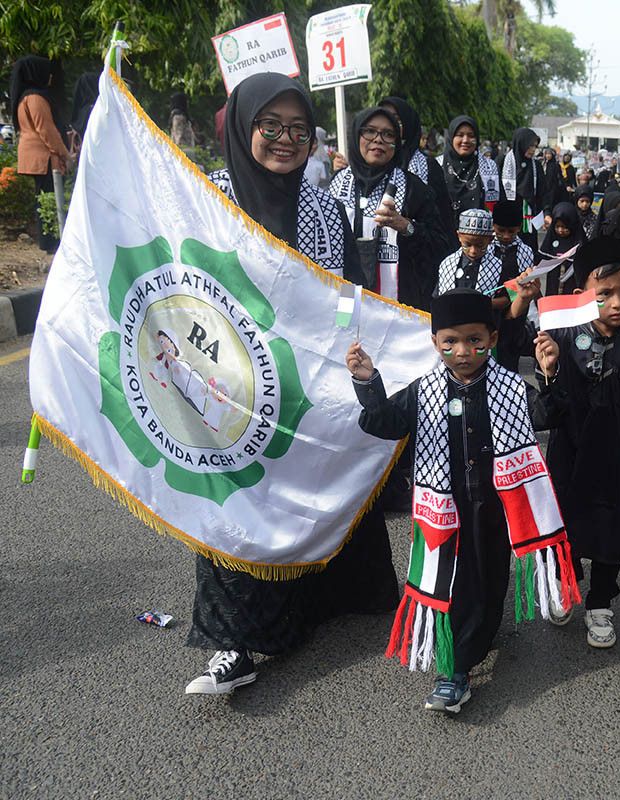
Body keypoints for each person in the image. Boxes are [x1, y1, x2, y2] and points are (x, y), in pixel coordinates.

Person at [188, 73, 395, 695]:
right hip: (226, 382)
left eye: (298, 130)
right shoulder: (208, 198)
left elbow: (345, 290)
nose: (285, 140)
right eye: (270, 127)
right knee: (237, 503)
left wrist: (340, 350)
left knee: (319, 482)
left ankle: (325, 600)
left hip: (308, 382)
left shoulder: (324, 210)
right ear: (244, 127)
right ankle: (235, 642)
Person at [347, 288, 580, 712]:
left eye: (474, 340)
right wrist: (367, 380)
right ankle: (456, 668)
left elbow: (548, 415)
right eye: (450, 342)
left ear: (491, 338)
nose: (462, 351)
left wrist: (550, 374)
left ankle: (478, 636)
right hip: (443, 508)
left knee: (488, 576)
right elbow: (381, 422)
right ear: (435, 343)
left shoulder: (510, 387)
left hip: (495, 505)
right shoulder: (423, 391)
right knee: (454, 582)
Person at [523, 237, 620, 648]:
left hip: (616, 457)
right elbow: (547, 412)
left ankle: (601, 601)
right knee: (566, 523)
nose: (617, 303)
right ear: (583, 294)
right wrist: (547, 373)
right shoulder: (562, 340)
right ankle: (566, 584)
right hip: (569, 455)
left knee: (609, 531)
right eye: (605, 294)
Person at [328, 105, 448, 310]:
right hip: (346, 295)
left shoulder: (413, 189)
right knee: (348, 333)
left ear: (397, 144)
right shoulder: (337, 183)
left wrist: (406, 227)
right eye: (370, 131)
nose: (378, 140)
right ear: (357, 136)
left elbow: (442, 246)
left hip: (400, 300)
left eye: (388, 134)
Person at [10, 56, 70, 252]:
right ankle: (52, 242)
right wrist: (64, 154)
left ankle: (49, 241)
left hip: (35, 156)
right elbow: (46, 130)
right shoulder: (35, 97)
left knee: (43, 199)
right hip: (43, 157)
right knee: (50, 199)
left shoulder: (24, 96)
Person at [380, 95, 453, 232]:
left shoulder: (428, 167)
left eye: (395, 119)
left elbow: (442, 224)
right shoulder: (369, 166)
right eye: (384, 117)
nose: (387, 125)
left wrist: (407, 227)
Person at [440, 115, 501, 230]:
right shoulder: (438, 165)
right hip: (443, 237)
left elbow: (499, 205)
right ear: (451, 137)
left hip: (479, 239)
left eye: (471, 136)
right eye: (460, 135)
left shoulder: (489, 166)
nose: (465, 140)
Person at [435, 207, 506, 302]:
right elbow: (437, 298)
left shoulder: (498, 266)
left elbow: (507, 298)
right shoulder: (447, 264)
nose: (473, 251)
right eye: (467, 245)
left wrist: (482, 304)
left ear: (490, 240)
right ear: (459, 236)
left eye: (480, 246)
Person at [501, 128, 548, 251]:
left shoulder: (535, 166)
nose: (533, 150)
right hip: (507, 219)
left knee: (527, 254)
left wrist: (546, 213)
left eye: (535, 146)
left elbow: (542, 193)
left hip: (528, 222)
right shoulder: (503, 162)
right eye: (530, 145)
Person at [538, 201, 583, 294]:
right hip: (553, 284)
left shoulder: (578, 240)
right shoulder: (552, 238)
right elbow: (542, 257)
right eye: (557, 226)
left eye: (564, 227)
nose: (560, 230)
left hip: (571, 285)